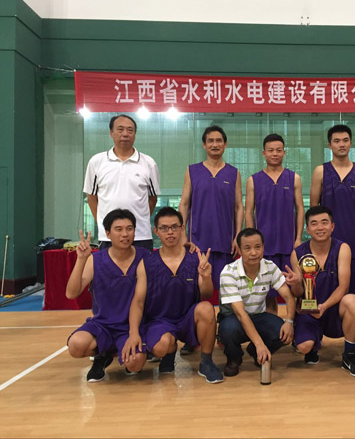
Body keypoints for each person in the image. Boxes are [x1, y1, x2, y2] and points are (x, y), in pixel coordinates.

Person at [121, 207, 223, 383]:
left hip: (187, 319)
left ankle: (206, 362)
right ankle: (169, 352)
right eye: (164, 228)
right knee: (161, 346)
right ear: (156, 231)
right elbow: (138, 302)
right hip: (160, 322)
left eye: (174, 227)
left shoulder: (195, 258)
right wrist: (133, 333)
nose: (170, 232)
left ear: (182, 228)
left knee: (207, 309)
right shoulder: (147, 262)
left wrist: (206, 277)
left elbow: (206, 294)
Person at [66, 209, 150, 382]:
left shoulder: (145, 257)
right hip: (102, 325)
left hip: (132, 326)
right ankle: (102, 355)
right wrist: (81, 259)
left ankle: (118, 351)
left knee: (135, 363)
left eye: (129, 229)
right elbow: (71, 293)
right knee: (76, 345)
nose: (125, 234)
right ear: (108, 233)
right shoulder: (96, 259)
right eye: (119, 229)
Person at [287, 206, 355, 377]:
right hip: (308, 310)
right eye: (314, 223)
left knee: (353, 301)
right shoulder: (297, 253)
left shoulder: (342, 248)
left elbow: (344, 286)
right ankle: (311, 345)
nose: (320, 227)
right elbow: (298, 293)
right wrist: (295, 283)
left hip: (333, 308)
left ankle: (349, 356)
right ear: (307, 229)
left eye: (324, 222)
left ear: (332, 226)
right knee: (304, 346)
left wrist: (324, 306)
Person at [218, 228, 296, 377]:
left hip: (259, 315)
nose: (253, 252)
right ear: (239, 250)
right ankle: (234, 359)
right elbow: (240, 314)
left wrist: (289, 321)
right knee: (228, 329)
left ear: (263, 248)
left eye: (257, 247)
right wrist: (260, 343)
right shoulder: (228, 272)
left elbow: (289, 297)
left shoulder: (270, 267)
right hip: (235, 317)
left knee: (283, 332)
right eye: (247, 248)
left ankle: (254, 351)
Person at [179, 125, 243, 294]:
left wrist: (238, 235)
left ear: (225, 144)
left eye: (219, 141)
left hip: (225, 244)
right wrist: (182, 234)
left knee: (227, 292)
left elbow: (238, 206)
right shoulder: (192, 171)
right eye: (210, 141)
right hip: (196, 244)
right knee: (196, 291)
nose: (215, 144)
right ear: (204, 145)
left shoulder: (234, 173)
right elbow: (184, 204)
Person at [245, 134, 304, 315]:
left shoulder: (294, 178)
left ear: (284, 152)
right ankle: (271, 327)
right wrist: (252, 242)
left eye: (278, 150)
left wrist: (298, 238)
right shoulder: (253, 180)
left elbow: (300, 209)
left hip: (289, 246)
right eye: (270, 150)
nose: (275, 154)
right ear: (264, 153)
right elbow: (248, 211)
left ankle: (293, 325)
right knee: (268, 295)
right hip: (265, 247)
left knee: (294, 290)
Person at [83, 115, 160, 251]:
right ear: (111, 133)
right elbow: (91, 198)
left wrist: (138, 221)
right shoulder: (96, 161)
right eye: (120, 129)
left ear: (135, 134)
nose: (125, 134)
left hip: (140, 235)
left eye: (130, 130)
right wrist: (105, 225)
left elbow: (152, 199)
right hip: (108, 237)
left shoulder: (149, 163)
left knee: (142, 266)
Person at [309, 124, 355, 296]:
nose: (341, 144)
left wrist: (352, 217)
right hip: (327, 240)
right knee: (326, 289)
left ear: (351, 143)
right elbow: (314, 206)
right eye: (336, 141)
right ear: (330, 145)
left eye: (345, 140)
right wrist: (324, 226)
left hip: (354, 238)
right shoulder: (320, 171)